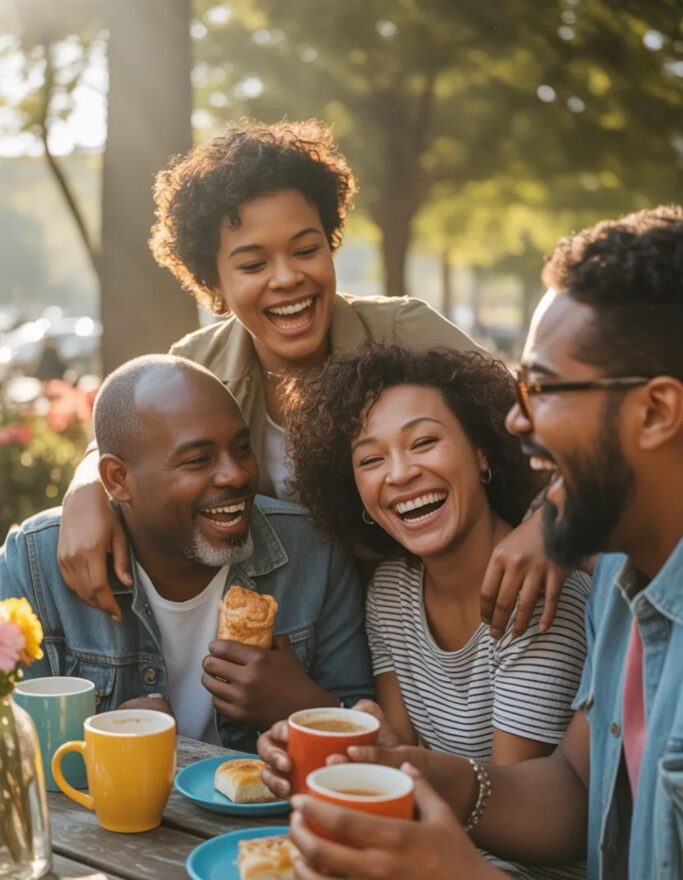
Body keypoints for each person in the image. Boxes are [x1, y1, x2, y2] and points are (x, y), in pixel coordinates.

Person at [258, 205, 683, 880]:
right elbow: (569, 788)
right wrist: (428, 775)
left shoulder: (567, 591)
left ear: (657, 412)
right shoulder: (629, 588)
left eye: (545, 389)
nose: (520, 419)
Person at [57, 119, 564, 640]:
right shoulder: (199, 364)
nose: (287, 277)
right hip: (294, 639)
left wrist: (546, 526)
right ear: (214, 281)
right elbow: (122, 446)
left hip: (440, 623)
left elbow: (553, 421)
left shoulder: (402, 331)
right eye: (253, 263)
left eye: (306, 250)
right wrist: (85, 488)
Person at [282, 342, 588, 880]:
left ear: (482, 454)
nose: (400, 473)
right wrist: (355, 736)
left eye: (424, 442)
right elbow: (404, 760)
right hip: (435, 863)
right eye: (370, 459)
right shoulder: (392, 593)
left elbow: (514, 823)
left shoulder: (540, 593)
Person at [0, 355, 373, 751]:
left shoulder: (312, 549)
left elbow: (367, 732)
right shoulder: (33, 567)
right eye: (198, 460)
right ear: (117, 479)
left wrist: (304, 708)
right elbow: (12, 749)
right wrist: (111, 742)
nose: (236, 475)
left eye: (242, 448)